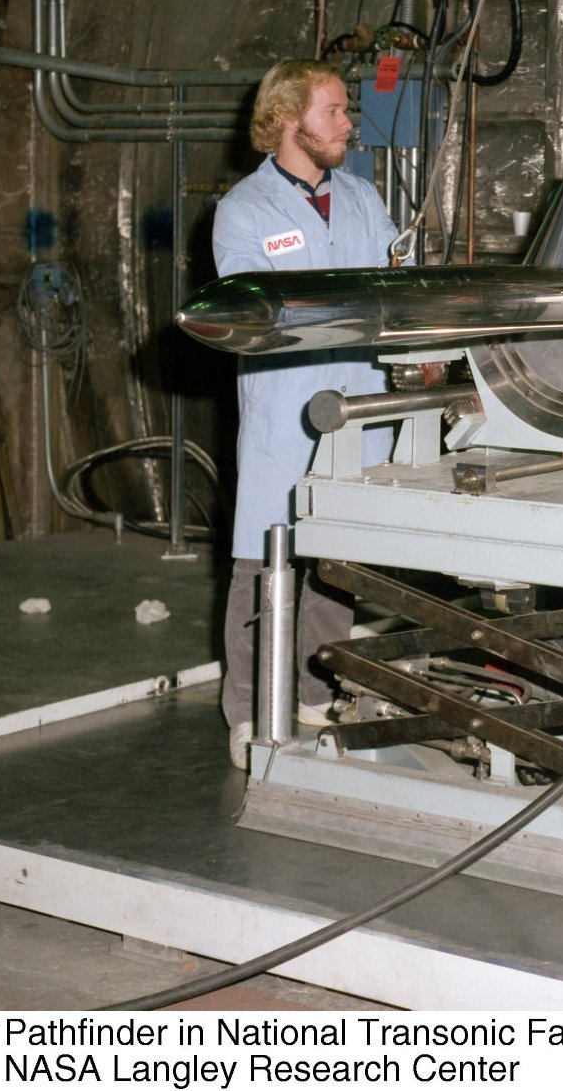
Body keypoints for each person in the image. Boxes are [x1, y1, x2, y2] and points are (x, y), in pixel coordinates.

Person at [211, 59, 399, 769]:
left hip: (359, 403)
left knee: (335, 559)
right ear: (289, 120)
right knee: (264, 562)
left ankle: (319, 693)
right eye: (334, 112)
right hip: (287, 408)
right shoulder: (245, 210)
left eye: (346, 110)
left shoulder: (362, 197)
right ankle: (249, 706)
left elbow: (391, 287)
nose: (349, 123)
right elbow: (256, 308)